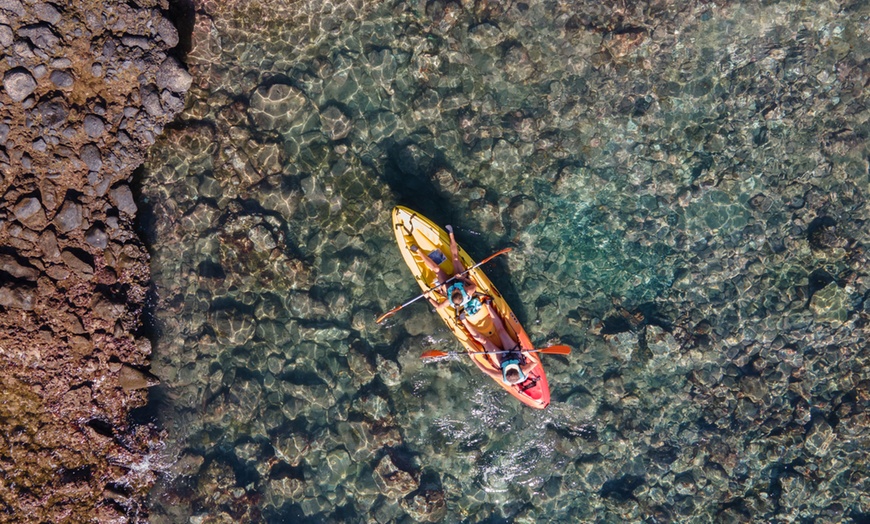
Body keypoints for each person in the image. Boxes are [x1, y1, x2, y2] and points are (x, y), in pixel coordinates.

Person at [460, 301, 537, 385]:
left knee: (484, 341)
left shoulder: (500, 375)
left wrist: (473, 358)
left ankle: (464, 321)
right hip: (515, 356)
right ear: (519, 369)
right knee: (501, 331)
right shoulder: (524, 370)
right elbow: (535, 362)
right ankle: (488, 305)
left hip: (502, 361)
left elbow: (485, 370)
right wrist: (527, 354)